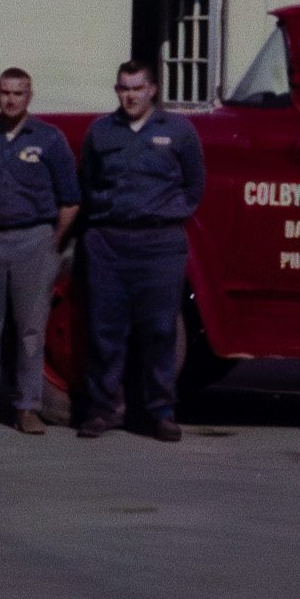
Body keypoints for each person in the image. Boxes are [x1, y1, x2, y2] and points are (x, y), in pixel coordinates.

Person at [75, 59, 205, 442]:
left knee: (160, 330)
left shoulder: (179, 131)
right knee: (104, 331)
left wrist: (167, 213)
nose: (129, 95)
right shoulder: (100, 132)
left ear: (152, 89)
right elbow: (88, 181)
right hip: (108, 241)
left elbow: (195, 185)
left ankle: (161, 412)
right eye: (123, 88)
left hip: (159, 245)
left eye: (137, 88)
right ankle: (103, 410)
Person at [0, 68, 80, 435]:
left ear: (29, 96)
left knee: (30, 330)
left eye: (18, 93)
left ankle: (28, 408)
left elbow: (70, 201)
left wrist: (50, 243)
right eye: (5, 92)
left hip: (33, 241)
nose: (11, 99)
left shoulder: (50, 139)